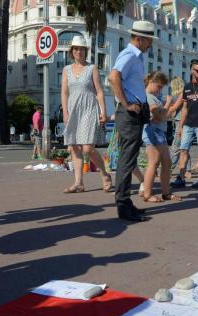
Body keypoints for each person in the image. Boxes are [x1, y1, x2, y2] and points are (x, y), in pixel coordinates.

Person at [108, 20, 156, 222]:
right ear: (140, 38)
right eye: (149, 40)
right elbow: (113, 77)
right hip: (129, 115)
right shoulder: (129, 55)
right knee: (126, 161)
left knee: (129, 159)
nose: (150, 45)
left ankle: (126, 203)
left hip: (135, 113)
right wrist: (126, 104)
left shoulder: (136, 57)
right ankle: (123, 205)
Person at [61, 35, 112, 193]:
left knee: (88, 148)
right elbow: (64, 92)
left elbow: (99, 92)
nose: (79, 51)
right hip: (73, 110)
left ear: (85, 51)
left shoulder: (92, 68)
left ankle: (104, 174)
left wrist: (104, 111)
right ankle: (79, 182)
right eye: (76, 49)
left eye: (82, 49)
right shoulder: (66, 70)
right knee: (75, 147)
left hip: (89, 109)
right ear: (72, 52)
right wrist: (65, 112)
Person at [170, 59, 198, 190]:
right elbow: (184, 108)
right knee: (183, 150)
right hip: (188, 125)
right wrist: (180, 126)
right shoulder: (187, 87)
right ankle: (181, 178)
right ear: (191, 70)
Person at [141, 71, 182, 202]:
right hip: (152, 131)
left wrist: (170, 106)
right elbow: (158, 116)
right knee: (153, 162)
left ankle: (166, 192)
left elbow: (165, 115)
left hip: (159, 132)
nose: (160, 90)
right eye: (159, 86)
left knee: (166, 162)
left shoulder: (155, 96)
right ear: (151, 83)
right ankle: (147, 194)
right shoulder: (148, 96)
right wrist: (168, 104)